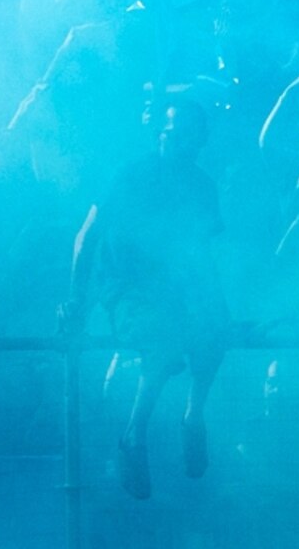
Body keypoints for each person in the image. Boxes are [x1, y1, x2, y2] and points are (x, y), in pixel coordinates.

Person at [68, 97, 228, 498]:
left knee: (216, 325)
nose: (175, 139)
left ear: (200, 140)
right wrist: (76, 304)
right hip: (124, 286)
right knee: (161, 338)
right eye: (171, 130)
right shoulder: (130, 175)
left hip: (173, 288)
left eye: (186, 133)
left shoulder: (202, 187)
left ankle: (193, 418)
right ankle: (132, 439)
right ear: (161, 134)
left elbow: (200, 255)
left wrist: (215, 305)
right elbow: (86, 237)